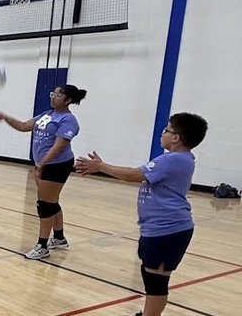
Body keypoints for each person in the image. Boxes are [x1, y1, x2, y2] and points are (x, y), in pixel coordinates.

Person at [75, 113, 208, 316]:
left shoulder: (174, 160)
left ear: (176, 137)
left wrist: (100, 166)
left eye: (166, 130)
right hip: (158, 229)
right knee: (152, 278)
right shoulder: (174, 159)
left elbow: (132, 175)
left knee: (156, 282)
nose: (162, 133)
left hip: (168, 230)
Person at [0, 84, 87, 259]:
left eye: (58, 95)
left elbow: (59, 146)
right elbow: (23, 126)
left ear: (67, 100)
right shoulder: (46, 115)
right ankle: (59, 238)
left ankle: (42, 246)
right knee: (51, 202)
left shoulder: (68, 120)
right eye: (53, 93)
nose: (53, 96)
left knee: (45, 205)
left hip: (57, 164)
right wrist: (5, 117)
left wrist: (42, 164)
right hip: (45, 164)